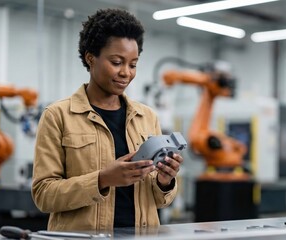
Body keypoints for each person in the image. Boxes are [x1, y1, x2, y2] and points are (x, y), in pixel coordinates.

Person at [32, 8, 182, 230]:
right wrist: (102, 179)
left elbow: (159, 200)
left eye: (132, 64)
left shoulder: (147, 116)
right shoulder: (58, 116)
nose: (126, 73)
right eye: (116, 62)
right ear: (91, 58)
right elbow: (43, 195)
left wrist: (165, 181)